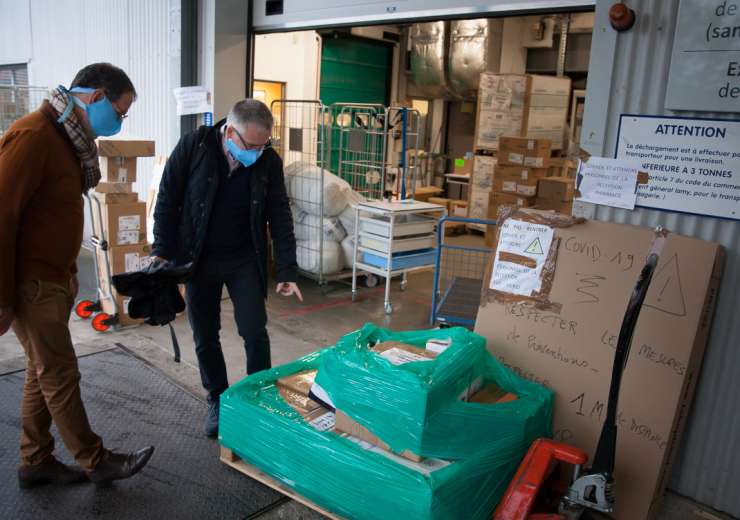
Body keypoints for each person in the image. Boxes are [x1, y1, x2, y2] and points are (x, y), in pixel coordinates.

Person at [0, 63, 154, 489]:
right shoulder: (35, 136)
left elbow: (51, 215)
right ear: (96, 95)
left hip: (51, 278)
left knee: (40, 371)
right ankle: (96, 460)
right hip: (28, 282)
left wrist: (69, 271)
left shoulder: (68, 140)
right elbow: (2, 216)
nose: (119, 123)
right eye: (119, 113)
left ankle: (35, 460)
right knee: (61, 374)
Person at [151, 99, 301, 437]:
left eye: (265, 145)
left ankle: (258, 396)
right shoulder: (194, 145)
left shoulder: (267, 161)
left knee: (254, 331)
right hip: (198, 258)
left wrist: (288, 270)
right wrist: (161, 250)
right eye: (252, 145)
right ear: (230, 132)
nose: (258, 152)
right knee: (205, 335)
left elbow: (279, 213)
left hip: (244, 258)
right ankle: (217, 399)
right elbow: (167, 198)